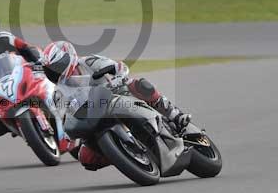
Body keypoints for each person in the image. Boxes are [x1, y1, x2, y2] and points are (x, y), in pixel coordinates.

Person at [40, 40, 192, 170]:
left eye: (57, 65)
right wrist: (69, 133)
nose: (54, 71)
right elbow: (64, 117)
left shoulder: (88, 62)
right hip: (92, 118)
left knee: (138, 84)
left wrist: (117, 75)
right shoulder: (57, 93)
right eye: (50, 69)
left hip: (116, 95)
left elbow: (120, 68)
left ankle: (175, 115)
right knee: (85, 158)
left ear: (70, 58)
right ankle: (126, 155)